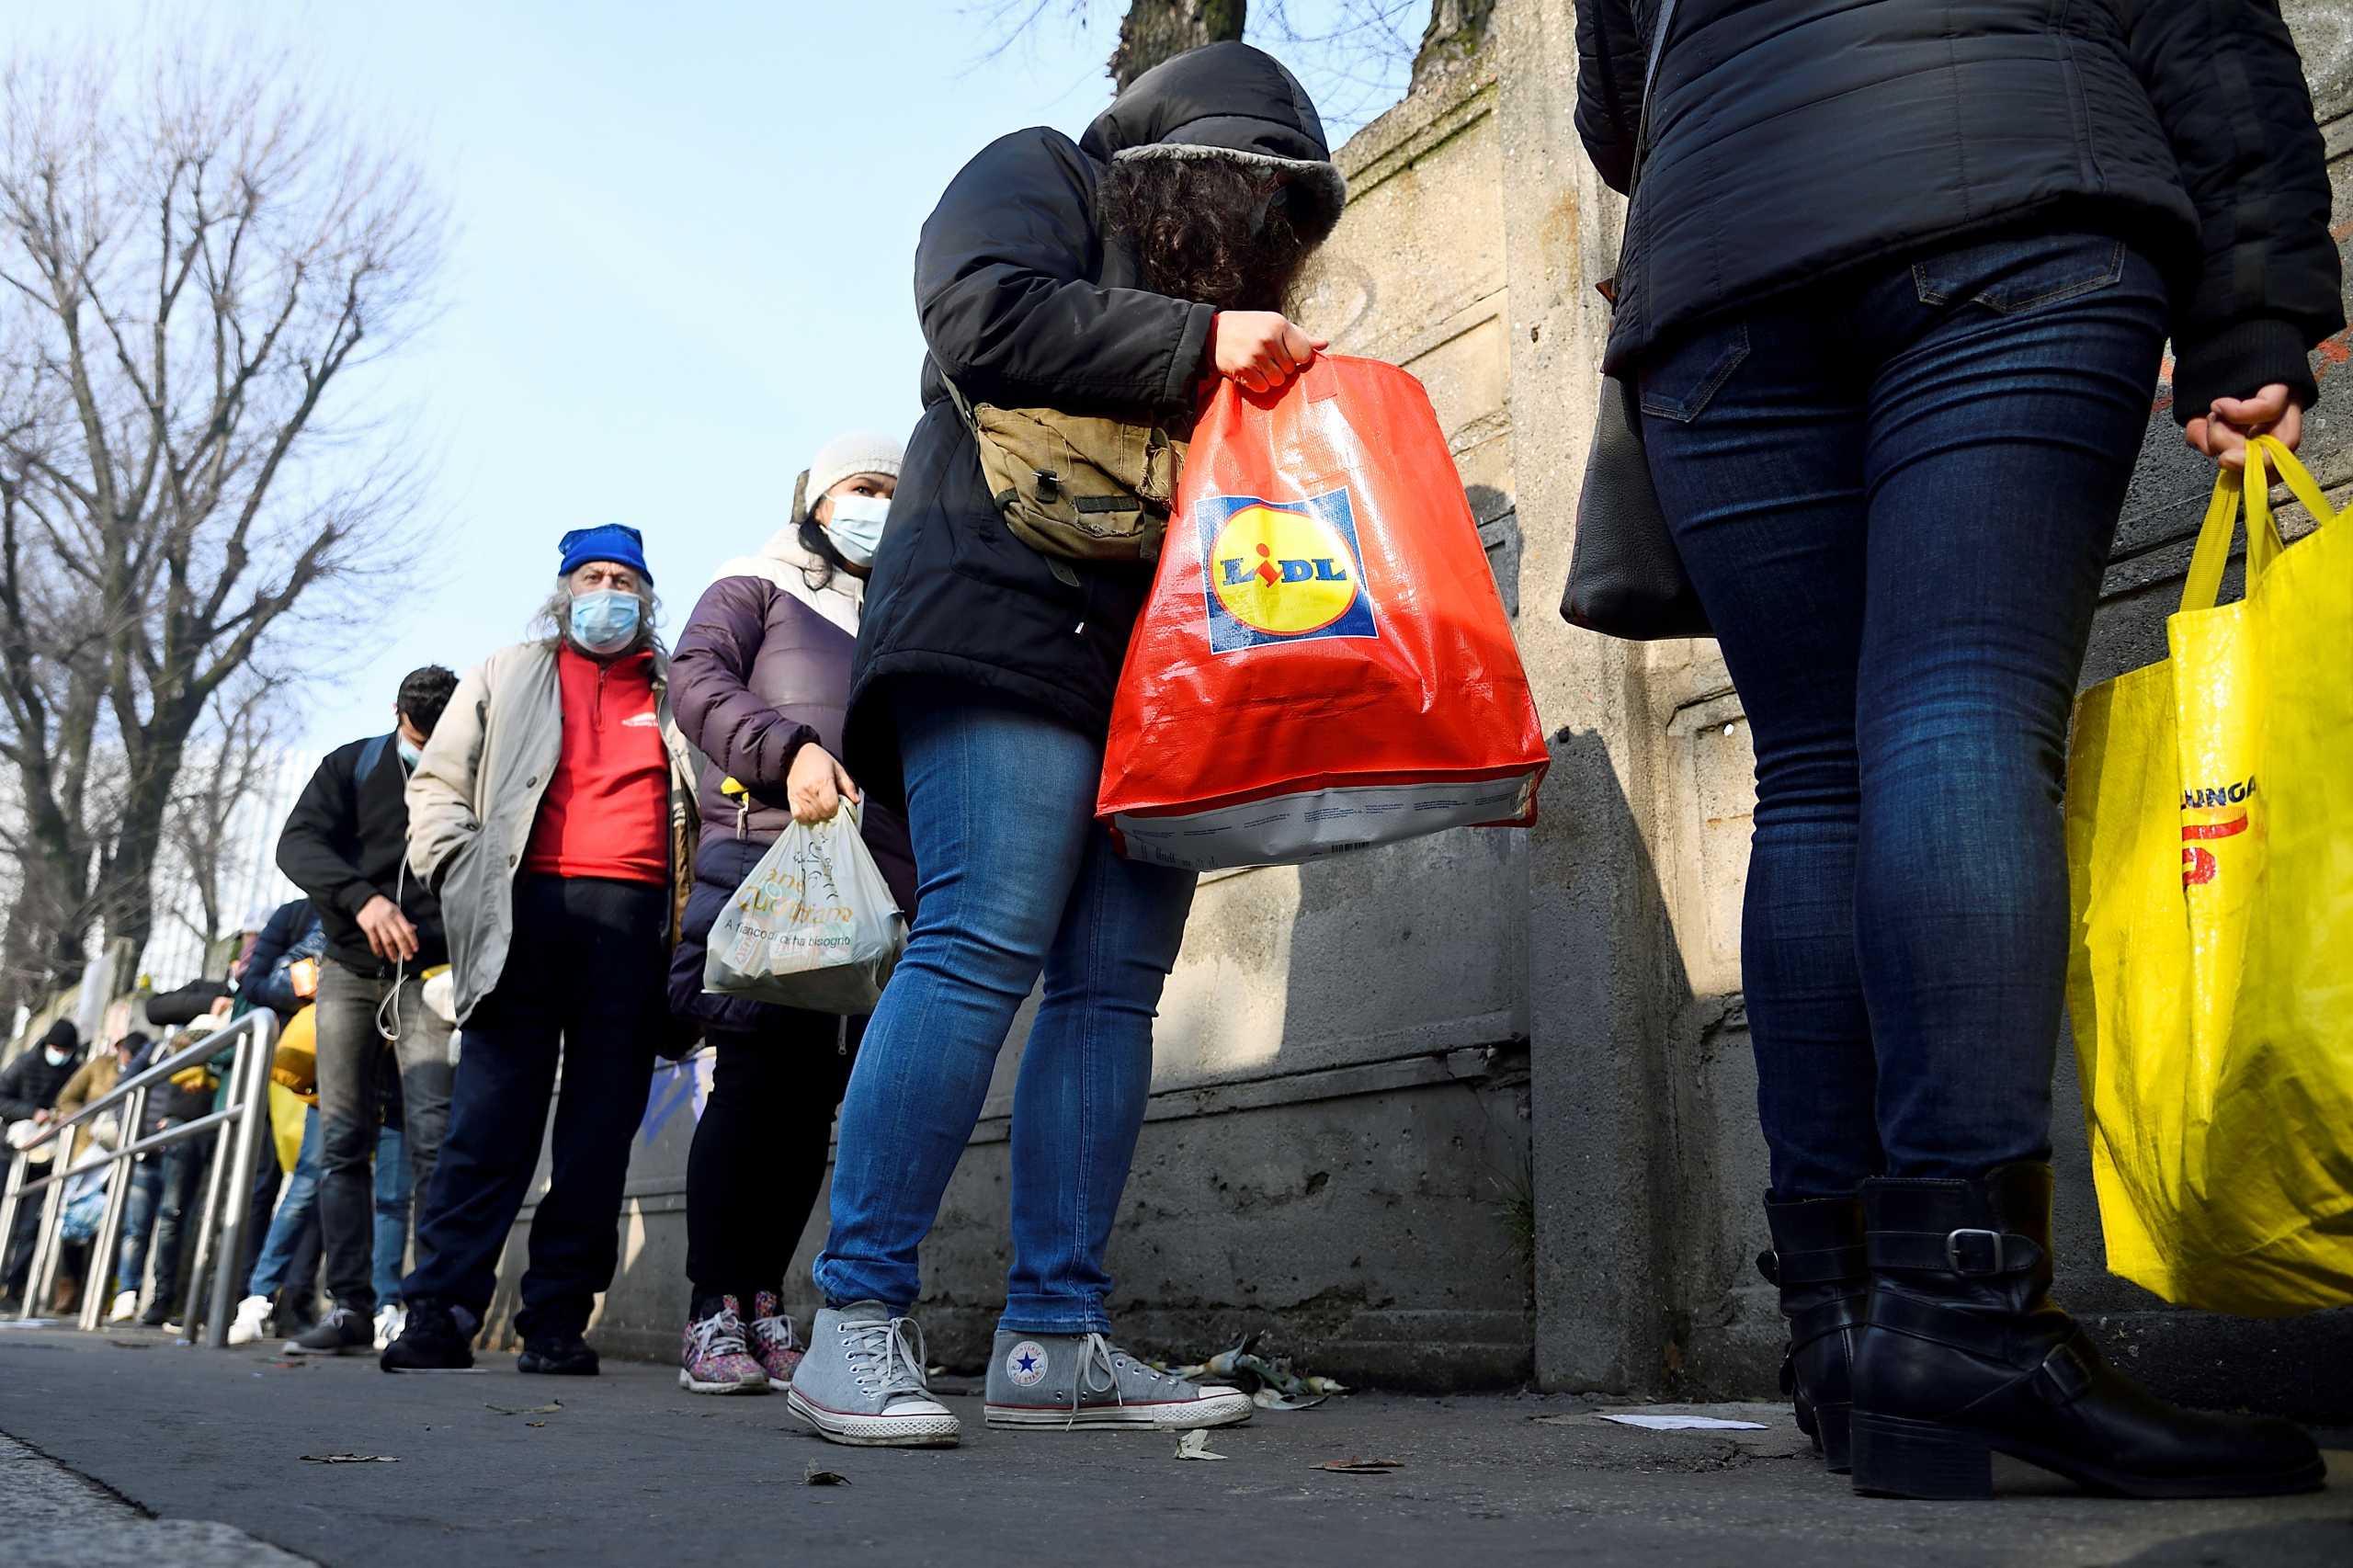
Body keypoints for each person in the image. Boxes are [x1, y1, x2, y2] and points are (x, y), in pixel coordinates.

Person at [1570, 0, 2338, 1501]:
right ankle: (1966, 1313)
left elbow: (1616, 107)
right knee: (1959, 706)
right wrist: (2253, 295)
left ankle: (1845, 1331)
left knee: (1815, 775)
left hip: (1721, 276)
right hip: (2008, 210)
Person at [790, 40, 1345, 1448]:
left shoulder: (1216, 300)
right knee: (981, 942)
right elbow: (975, 312)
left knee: (1112, 989)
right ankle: (854, 1319)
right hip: (1000, 620)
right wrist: (1195, 344)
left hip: (1157, 665)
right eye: (1249, 203)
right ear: (1190, 170)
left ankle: (1056, 1332)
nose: (1254, 248)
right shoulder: (1044, 171)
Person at [383, 524, 696, 1375]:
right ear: (563, 591)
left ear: (648, 596)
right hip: (519, 916)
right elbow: (441, 782)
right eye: (592, 577)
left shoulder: (676, 687)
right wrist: (456, 866)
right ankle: (441, 1308)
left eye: (625, 581)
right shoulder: (507, 671)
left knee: (598, 1135)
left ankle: (557, 1316)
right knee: (489, 1124)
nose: (608, 594)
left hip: (633, 928)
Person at [665, 429, 920, 1394]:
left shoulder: (899, 607)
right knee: (754, 1083)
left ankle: (765, 1296)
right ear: (816, 499)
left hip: (870, 883)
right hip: (771, 861)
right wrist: (786, 750)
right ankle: (712, 1306)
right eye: (863, 485)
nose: (879, 504)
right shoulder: (757, 583)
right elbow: (695, 680)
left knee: (812, 1102)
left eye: (897, 489)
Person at [273, 666, 460, 1355]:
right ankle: (350, 1305)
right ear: (397, 717)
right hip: (350, 972)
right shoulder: (350, 766)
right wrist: (361, 897)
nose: (423, 749)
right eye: (415, 736)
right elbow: (297, 845)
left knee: (435, 1138)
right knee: (343, 1140)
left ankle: (432, 1306)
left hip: (431, 977)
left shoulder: (472, 771)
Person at [0, 1019, 83, 1307]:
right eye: (56, 1048)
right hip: (10, 1152)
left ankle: (13, 1287)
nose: (59, 1054)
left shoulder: (75, 1070)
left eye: (64, 1050)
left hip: (48, 1158)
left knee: (29, 1227)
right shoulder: (24, 1064)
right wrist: (31, 1112)